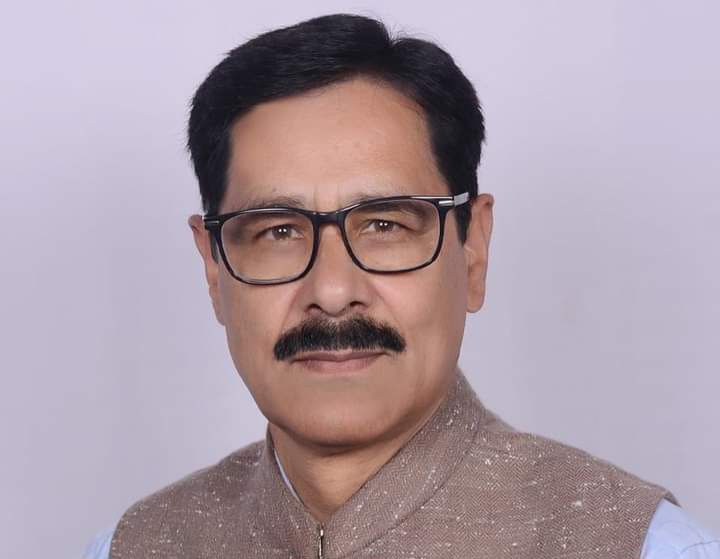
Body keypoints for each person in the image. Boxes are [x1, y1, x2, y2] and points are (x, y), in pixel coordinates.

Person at [84, 13, 718, 559]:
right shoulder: (135, 546)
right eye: (278, 231)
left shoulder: (638, 546)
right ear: (213, 267)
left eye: (385, 225)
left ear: (473, 251)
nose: (333, 291)